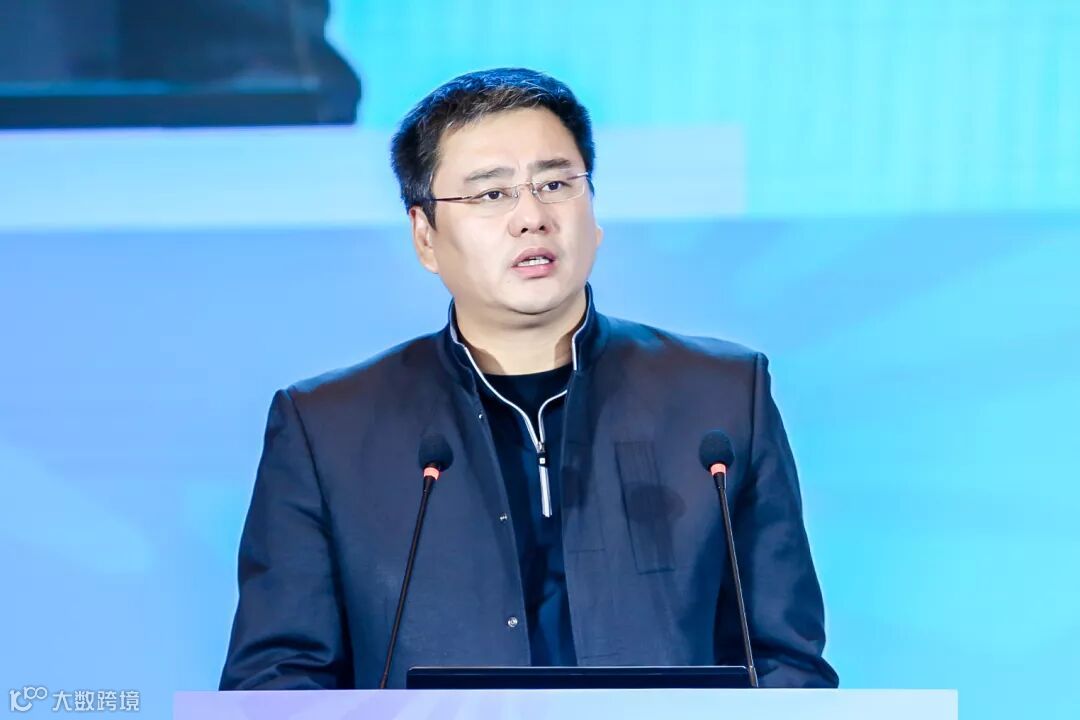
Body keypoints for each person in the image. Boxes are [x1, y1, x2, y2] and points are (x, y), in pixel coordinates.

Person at [219, 67, 838, 689]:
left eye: (556, 184)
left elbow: (786, 666)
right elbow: (276, 680)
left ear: (593, 212)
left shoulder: (721, 399)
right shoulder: (328, 428)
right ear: (425, 236)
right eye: (491, 194)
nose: (532, 217)